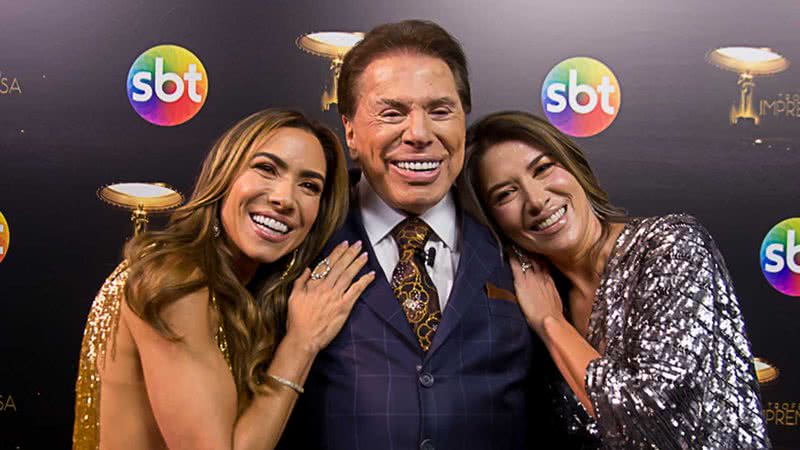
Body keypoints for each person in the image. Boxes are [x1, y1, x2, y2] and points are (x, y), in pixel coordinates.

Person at [278, 21, 549, 450]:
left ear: (464, 122)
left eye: (440, 111)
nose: (419, 134)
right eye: (392, 113)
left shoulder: (519, 230)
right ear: (349, 131)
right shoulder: (300, 236)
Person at [458, 110, 771, 449]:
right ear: (493, 222)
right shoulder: (526, 304)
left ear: (573, 166)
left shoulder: (670, 245)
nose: (536, 200)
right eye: (505, 194)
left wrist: (551, 322)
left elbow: (655, 421)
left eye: (544, 168)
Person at [72, 109, 376, 450]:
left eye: (309, 186)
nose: (284, 199)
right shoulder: (176, 281)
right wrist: (301, 343)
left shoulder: (237, 292)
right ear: (225, 175)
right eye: (266, 169)